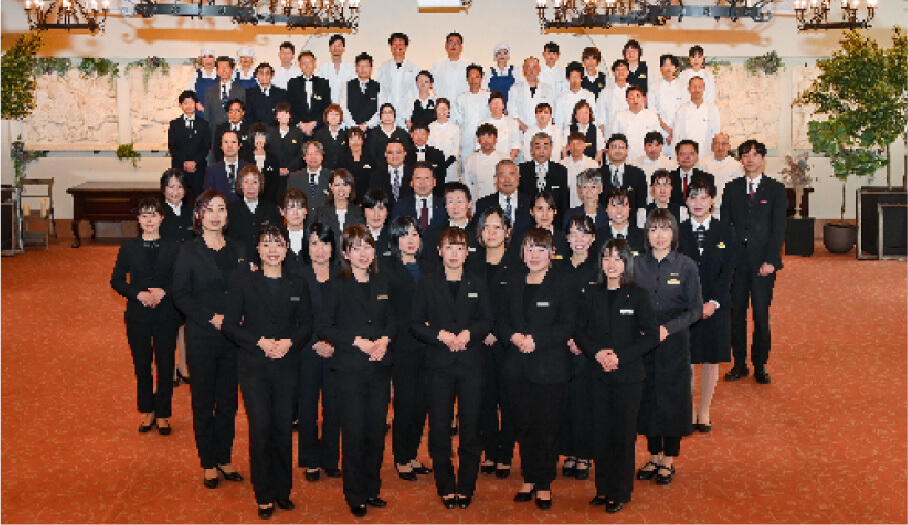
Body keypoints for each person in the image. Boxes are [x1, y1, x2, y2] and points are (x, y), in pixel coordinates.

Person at [222, 224, 313, 519]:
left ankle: (282, 490)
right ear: (258, 249)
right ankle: (263, 492)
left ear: (286, 249)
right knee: (261, 429)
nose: (272, 249)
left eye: (278, 244)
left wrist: (289, 342)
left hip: (287, 364)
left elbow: (307, 325)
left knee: (283, 428)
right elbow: (230, 325)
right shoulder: (243, 282)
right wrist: (259, 342)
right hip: (254, 366)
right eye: (266, 244)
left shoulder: (298, 283)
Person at [411, 226, 493, 509]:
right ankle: (446, 485)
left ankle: (466, 486)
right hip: (439, 365)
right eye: (449, 247)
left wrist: (469, 335)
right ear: (439, 250)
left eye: (460, 247)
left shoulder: (478, 283)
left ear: (467, 252)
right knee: (440, 429)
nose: (455, 253)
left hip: (472, 365)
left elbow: (487, 321)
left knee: (471, 428)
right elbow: (415, 323)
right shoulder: (427, 283)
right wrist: (441, 336)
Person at [317, 225, 395, 518]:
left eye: (367, 246)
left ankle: (372, 489)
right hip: (349, 369)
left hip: (379, 367)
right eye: (356, 248)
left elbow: (393, 319)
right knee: (353, 433)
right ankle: (355, 493)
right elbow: (324, 327)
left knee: (376, 432)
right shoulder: (336, 285)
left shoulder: (383, 280)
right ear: (346, 253)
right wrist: (356, 342)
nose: (363, 253)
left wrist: (385, 339)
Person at [575, 238, 658, 513]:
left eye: (617, 258)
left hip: (628, 376)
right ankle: (603, 489)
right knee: (600, 433)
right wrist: (597, 353)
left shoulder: (638, 295)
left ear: (626, 263)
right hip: (597, 374)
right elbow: (580, 332)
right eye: (607, 257)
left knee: (622, 436)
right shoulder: (591, 293)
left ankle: (620, 492)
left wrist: (620, 357)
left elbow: (652, 336)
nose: (611, 263)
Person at [172, 189, 247, 489]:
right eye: (209, 209)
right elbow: (180, 295)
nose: (216, 215)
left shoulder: (238, 248)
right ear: (199, 216)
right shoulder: (188, 252)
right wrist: (210, 317)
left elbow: (245, 290)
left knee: (228, 403)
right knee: (203, 402)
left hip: (232, 338)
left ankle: (225, 458)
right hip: (203, 335)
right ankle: (208, 463)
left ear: (227, 216)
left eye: (221, 209)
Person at [499, 227, 576, 510]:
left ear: (552, 253)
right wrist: (514, 337)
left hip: (551, 369)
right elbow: (502, 319)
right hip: (516, 368)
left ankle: (544, 482)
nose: (534, 254)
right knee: (525, 426)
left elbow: (568, 324)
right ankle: (528, 477)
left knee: (547, 429)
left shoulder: (563, 283)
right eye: (529, 248)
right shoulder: (513, 279)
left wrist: (537, 340)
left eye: (541, 249)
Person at [634, 208, 703, 486]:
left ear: (674, 233)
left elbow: (695, 309)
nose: (659, 236)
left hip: (674, 339)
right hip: (644, 339)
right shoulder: (636, 265)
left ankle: (668, 459)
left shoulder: (686, 265)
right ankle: (653, 455)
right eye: (653, 229)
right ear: (647, 234)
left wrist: (668, 328)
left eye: (665, 229)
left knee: (673, 398)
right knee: (648, 396)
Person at [110, 197, 181, 436]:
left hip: (166, 314)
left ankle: (162, 413)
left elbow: (182, 281)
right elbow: (117, 280)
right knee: (142, 364)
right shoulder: (128, 247)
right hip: (138, 314)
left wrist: (165, 292)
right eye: (144, 215)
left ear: (162, 218)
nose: (149, 220)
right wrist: (137, 294)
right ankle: (147, 410)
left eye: (153, 215)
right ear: (138, 220)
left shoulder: (174, 247)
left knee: (165, 364)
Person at [721, 139, 786, 385]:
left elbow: (778, 228)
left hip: (763, 264)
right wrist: (726, 260)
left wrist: (771, 260)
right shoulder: (732, 188)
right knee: (736, 314)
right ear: (740, 160)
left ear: (763, 159)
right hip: (737, 263)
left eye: (755, 154)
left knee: (760, 313)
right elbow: (725, 226)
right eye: (745, 155)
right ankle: (739, 364)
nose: (750, 159)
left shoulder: (775, 189)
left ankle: (760, 364)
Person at [678, 178, 736, 432]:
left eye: (704, 197)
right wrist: (691, 305)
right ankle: (689, 409)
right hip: (684, 308)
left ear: (713, 200)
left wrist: (713, 302)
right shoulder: (677, 231)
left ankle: (704, 410)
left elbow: (728, 272)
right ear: (686, 201)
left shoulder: (725, 231)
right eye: (693, 197)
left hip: (716, 306)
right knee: (687, 358)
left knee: (711, 358)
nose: (698, 203)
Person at [466, 206, 518, 480]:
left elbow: (518, 307)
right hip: (477, 344)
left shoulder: (518, 264)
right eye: (487, 227)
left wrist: (497, 331)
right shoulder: (471, 264)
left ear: (507, 232)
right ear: (480, 233)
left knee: (508, 401)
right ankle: (490, 452)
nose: (492, 232)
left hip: (507, 344)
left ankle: (506, 454)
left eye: (498, 227)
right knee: (484, 401)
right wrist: (481, 331)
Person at [384, 216, 435, 483]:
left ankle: (413, 454)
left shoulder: (429, 268)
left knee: (422, 403)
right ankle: (401, 457)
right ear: (395, 240)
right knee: (405, 403)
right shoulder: (388, 270)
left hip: (428, 346)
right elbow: (388, 311)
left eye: (415, 233)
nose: (411, 239)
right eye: (404, 234)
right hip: (402, 345)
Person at [292, 221, 342, 482]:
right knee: (308, 407)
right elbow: (296, 318)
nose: (320, 249)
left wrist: (334, 343)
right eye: (314, 243)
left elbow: (346, 316)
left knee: (334, 407)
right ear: (307, 247)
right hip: (306, 349)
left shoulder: (342, 275)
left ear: (333, 247)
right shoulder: (298, 276)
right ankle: (311, 459)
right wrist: (314, 342)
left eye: (325, 243)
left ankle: (331, 458)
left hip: (337, 351)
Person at [557, 214, 599, 482]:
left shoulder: (599, 269)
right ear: (567, 238)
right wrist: (567, 338)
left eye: (585, 234)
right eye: (574, 234)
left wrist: (583, 342)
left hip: (589, 347)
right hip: (561, 344)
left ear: (592, 239)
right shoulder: (558, 268)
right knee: (565, 401)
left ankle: (584, 454)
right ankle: (569, 451)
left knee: (587, 402)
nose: (579, 239)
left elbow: (600, 311)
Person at [159, 171, 194, 388]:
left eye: (179, 186)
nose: (175, 191)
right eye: (171, 186)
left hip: (189, 273)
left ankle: (183, 365)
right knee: (168, 323)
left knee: (185, 322)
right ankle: (169, 367)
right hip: (166, 274)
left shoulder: (192, 212)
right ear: (163, 189)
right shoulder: (159, 213)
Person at [226, 165, 283, 264]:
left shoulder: (272, 209)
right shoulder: (230, 210)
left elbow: (277, 240)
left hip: (266, 264)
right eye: (246, 182)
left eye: (255, 182)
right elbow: (229, 242)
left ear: (260, 185)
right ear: (240, 185)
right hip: (239, 264)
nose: (250, 186)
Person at [474, 160, 534, 242]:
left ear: (518, 177)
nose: (507, 180)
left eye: (511, 174)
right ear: (496, 179)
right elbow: (478, 234)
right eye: (502, 175)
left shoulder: (530, 202)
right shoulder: (483, 204)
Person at [312, 168, 365, 258]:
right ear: (331, 187)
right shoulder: (321, 212)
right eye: (337, 185)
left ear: (351, 187)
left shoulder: (359, 212)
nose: (341, 189)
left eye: (345, 185)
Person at [168, 90, 211, 201]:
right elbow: (172, 147)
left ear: (196, 104)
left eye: (191, 102)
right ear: (181, 105)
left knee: (199, 199)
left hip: (198, 168)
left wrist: (194, 162)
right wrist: (185, 163)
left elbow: (206, 146)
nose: (188, 106)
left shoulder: (204, 124)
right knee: (180, 199)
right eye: (185, 103)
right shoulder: (174, 124)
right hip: (180, 167)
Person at [377, 32, 420, 127]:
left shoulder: (413, 67)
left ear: (406, 47)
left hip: (407, 114)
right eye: (395, 43)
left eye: (401, 43)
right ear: (391, 47)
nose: (398, 46)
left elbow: (416, 92)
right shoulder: (384, 67)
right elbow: (380, 90)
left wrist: (410, 114)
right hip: (388, 114)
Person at [390, 161, 447, 232]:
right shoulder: (400, 206)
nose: (422, 182)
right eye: (418, 178)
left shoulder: (444, 205)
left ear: (434, 182)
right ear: (411, 183)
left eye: (427, 178)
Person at [610, 85, 661, 162]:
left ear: (643, 99)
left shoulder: (652, 116)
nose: (635, 100)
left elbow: (657, 140)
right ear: (626, 100)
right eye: (631, 97)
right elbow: (613, 139)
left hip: (646, 159)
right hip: (626, 158)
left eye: (638, 96)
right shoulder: (620, 116)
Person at [287, 51, 332, 138]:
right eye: (304, 63)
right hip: (298, 130)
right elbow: (290, 106)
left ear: (314, 64)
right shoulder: (292, 83)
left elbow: (326, 106)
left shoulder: (323, 83)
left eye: (310, 63)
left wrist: (314, 123)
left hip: (319, 129)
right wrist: (300, 124)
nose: (307, 66)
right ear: (299, 65)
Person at [672, 77, 721, 156]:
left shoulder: (712, 109)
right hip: (687, 157)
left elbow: (716, 134)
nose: (697, 90)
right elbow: (676, 137)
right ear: (689, 89)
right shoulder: (681, 110)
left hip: (707, 156)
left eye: (699, 87)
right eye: (694, 87)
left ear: (704, 89)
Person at [697, 132, 743, 215]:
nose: (720, 147)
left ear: (729, 147)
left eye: (724, 144)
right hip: (707, 210)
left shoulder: (737, 166)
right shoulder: (703, 164)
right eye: (717, 143)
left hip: (729, 210)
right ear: (712, 146)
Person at [453, 64, 492, 164]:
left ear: (481, 78)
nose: (474, 80)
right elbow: (458, 120)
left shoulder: (488, 96)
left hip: (485, 137)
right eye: (471, 77)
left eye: (477, 77)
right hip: (466, 138)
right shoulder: (461, 98)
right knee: (466, 167)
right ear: (467, 79)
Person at [649, 55, 685, 157]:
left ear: (676, 68)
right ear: (660, 68)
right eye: (665, 65)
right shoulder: (654, 86)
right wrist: (667, 129)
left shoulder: (683, 86)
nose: (668, 68)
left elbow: (684, 111)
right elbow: (653, 111)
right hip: (661, 131)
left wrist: (674, 131)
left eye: (671, 65)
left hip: (678, 131)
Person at [600, 133, 648, 212]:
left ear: (627, 151)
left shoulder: (638, 174)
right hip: (604, 221)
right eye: (614, 147)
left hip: (631, 221)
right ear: (607, 151)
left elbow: (641, 204)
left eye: (621, 147)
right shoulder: (599, 174)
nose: (618, 151)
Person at [203, 56, 245, 142]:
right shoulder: (209, 91)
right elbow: (207, 117)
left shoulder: (241, 90)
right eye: (220, 68)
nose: (223, 70)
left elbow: (244, 115)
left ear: (232, 70)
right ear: (217, 71)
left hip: (236, 136)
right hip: (216, 136)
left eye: (226, 67)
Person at [509, 57, 555, 135]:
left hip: (542, 132)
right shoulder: (515, 88)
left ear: (539, 69)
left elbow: (551, 111)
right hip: (521, 132)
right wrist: (521, 125)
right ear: (523, 69)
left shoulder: (547, 89)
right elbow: (511, 110)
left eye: (534, 67)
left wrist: (542, 127)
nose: (531, 70)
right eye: (528, 67)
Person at [594, 188, 645, 255]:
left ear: (629, 208)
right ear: (606, 209)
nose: (619, 211)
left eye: (623, 205)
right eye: (614, 205)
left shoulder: (642, 237)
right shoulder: (597, 237)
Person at [463, 123, 507, 201]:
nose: (486, 141)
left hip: (499, 202)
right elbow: (467, 184)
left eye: (489, 137)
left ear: (495, 139)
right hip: (477, 202)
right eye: (483, 137)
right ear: (478, 140)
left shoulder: (505, 158)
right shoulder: (471, 160)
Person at [204, 131, 250, 204]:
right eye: (226, 142)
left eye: (233, 142)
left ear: (239, 145)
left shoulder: (248, 168)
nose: (229, 146)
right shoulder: (212, 170)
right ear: (221, 146)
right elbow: (209, 197)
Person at [341, 52, 383, 132]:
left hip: (372, 131)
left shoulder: (379, 87)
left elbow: (380, 111)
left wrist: (367, 125)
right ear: (356, 68)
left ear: (371, 68)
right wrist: (354, 126)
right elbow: (343, 109)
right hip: (351, 131)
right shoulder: (346, 86)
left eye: (366, 66)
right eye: (360, 66)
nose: (363, 69)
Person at [368, 138, 413, 210]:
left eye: (398, 152)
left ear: (405, 153)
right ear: (385, 154)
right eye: (390, 152)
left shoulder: (414, 174)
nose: (394, 156)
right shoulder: (376, 176)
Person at [287, 141, 331, 210]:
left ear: (322, 156)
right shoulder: (294, 178)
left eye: (316, 153)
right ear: (304, 157)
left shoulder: (331, 177)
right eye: (310, 154)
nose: (313, 157)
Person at [670, 139, 715, 205]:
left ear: (697, 156)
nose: (687, 157)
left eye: (690, 154)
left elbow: (709, 202)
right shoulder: (669, 178)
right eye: (683, 154)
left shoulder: (707, 178)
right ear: (677, 157)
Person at [366, 103, 412, 167]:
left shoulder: (403, 133)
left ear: (394, 116)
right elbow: (370, 155)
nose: (387, 116)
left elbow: (407, 154)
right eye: (384, 113)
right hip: (378, 170)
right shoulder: (372, 133)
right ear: (380, 116)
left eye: (390, 113)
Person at [554, 61, 596, 131]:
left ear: (581, 78)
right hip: (568, 134)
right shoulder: (562, 98)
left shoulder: (589, 96)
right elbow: (558, 122)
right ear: (568, 79)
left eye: (577, 77)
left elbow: (594, 119)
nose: (574, 81)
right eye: (572, 77)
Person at [337, 127, 375, 202]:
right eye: (352, 139)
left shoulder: (370, 159)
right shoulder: (342, 159)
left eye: (358, 139)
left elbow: (374, 180)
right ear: (348, 142)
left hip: (367, 199)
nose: (355, 142)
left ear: (362, 141)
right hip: (347, 199)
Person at [562, 133, 599, 208]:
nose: (575, 147)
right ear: (568, 147)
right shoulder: (562, 164)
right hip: (567, 207)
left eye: (578, 144)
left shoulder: (592, 164)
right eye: (572, 144)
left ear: (584, 146)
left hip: (587, 207)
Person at [428, 98, 461, 182]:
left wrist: (445, 165)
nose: (442, 111)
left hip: (450, 169)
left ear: (448, 110)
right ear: (435, 110)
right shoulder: (430, 127)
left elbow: (456, 149)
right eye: (439, 108)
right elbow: (428, 148)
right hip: (434, 168)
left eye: (445, 108)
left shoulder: (455, 128)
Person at [279, 188, 310, 277]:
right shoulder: (278, 237)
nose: (295, 212)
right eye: (291, 207)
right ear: (282, 212)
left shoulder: (313, 236)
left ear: (306, 211)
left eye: (300, 207)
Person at [245, 62, 287, 127]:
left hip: (276, 131)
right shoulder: (250, 93)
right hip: (257, 130)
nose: (264, 76)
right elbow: (248, 115)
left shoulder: (281, 93)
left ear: (272, 75)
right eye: (261, 73)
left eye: (267, 73)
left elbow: (283, 114)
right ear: (257, 75)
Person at [317, 34, 356, 104]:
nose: (336, 48)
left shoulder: (350, 68)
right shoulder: (323, 68)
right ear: (329, 48)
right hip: (328, 107)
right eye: (334, 45)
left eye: (339, 45)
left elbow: (354, 89)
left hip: (346, 107)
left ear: (343, 48)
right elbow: (319, 90)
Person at [595, 60, 631, 136]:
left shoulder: (633, 91)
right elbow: (600, 118)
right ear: (613, 73)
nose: (621, 72)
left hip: (630, 133)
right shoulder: (606, 92)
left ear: (628, 72)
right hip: (610, 134)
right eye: (618, 69)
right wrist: (602, 139)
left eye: (623, 69)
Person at [248, 124, 281, 205]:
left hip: (269, 201)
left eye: (262, 137)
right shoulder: (245, 158)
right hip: (249, 198)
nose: (259, 140)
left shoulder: (273, 159)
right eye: (256, 137)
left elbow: (276, 183)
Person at [432, 32, 471, 102]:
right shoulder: (437, 65)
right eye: (451, 43)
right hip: (443, 107)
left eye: (457, 43)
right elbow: (434, 86)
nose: (453, 45)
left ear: (461, 47)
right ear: (446, 46)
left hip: (464, 106)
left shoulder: (469, 65)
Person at [213, 99, 252, 163]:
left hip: (245, 165)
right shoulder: (221, 128)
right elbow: (217, 150)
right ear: (227, 113)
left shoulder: (249, 128)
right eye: (231, 111)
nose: (234, 114)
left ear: (243, 113)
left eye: (237, 111)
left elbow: (251, 150)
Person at [314, 103, 347, 171]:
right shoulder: (320, 134)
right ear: (326, 117)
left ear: (340, 117)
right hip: (324, 171)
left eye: (337, 114)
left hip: (341, 171)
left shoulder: (345, 134)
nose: (334, 117)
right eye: (331, 114)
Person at [186, 48, 218, 117]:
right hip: (200, 113)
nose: (207, 60)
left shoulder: (220, 73)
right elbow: (188, 93)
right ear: (202, 60)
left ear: (214, 59)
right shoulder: (196, 74)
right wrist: (196, 103)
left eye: (210, 57)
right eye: (204, 57)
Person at [362, 189, 393, 258]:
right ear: (364, 211)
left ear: (387, 211)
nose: (376, 215)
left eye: (381, 209)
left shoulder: (394, 237)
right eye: (371, 209)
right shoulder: (356, 236)